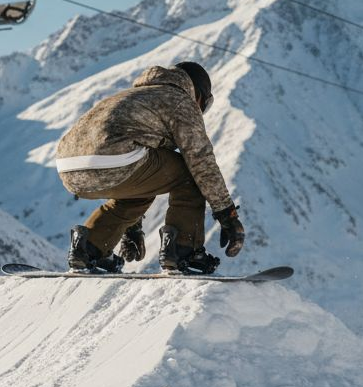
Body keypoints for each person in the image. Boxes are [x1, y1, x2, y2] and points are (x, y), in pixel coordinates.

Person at [54, 61, 245, 274]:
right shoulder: (180, 100)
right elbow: (201, 161)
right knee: (191, 173)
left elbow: (138, 169)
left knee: (149, 172)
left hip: (68, 168)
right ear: (198, 95)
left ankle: (90, 248)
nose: (201, 111)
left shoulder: (135, 95)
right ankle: (183, 251)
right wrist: (227, 214)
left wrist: (131, 226)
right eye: (204, 106)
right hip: (113, 159)